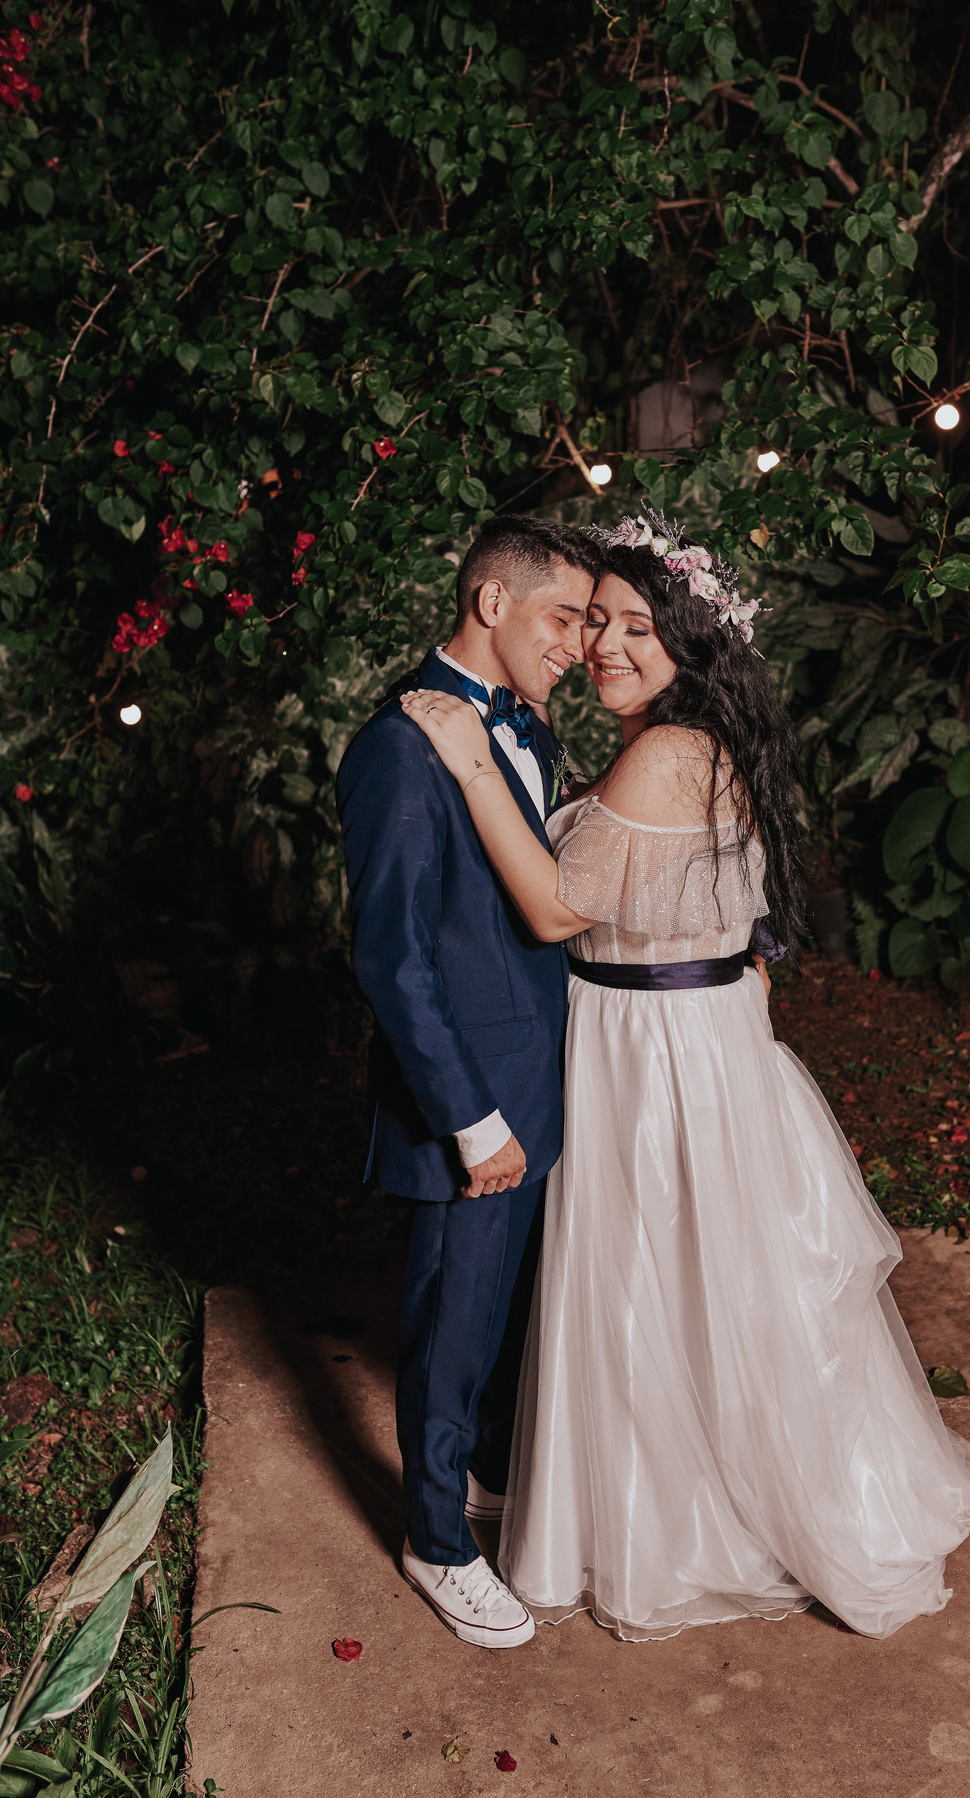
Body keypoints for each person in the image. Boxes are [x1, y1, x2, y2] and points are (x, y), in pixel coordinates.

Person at [399, 508, 970, 1642]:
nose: (606, 645)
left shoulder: (669, 752)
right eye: (596, 621)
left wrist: (470, 763)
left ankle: (671, 1523)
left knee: (650, 1282)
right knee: (692, 1282)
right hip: (680, 1031)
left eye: (638, 627)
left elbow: (559, 907)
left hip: (653, 1047)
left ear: (692, 640)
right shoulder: (693, 742)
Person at [337, 514, 604, 1649]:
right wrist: (472, 1118)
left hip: (538, 1074)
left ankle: (483, 1481)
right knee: (451, 1325)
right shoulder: (398, 748)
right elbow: (391, 958)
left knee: (504, 1312)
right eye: (563, 617)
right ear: (492, 603)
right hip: (474, 1104)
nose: (579, 645)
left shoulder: (521, 722)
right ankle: (437, 1542)